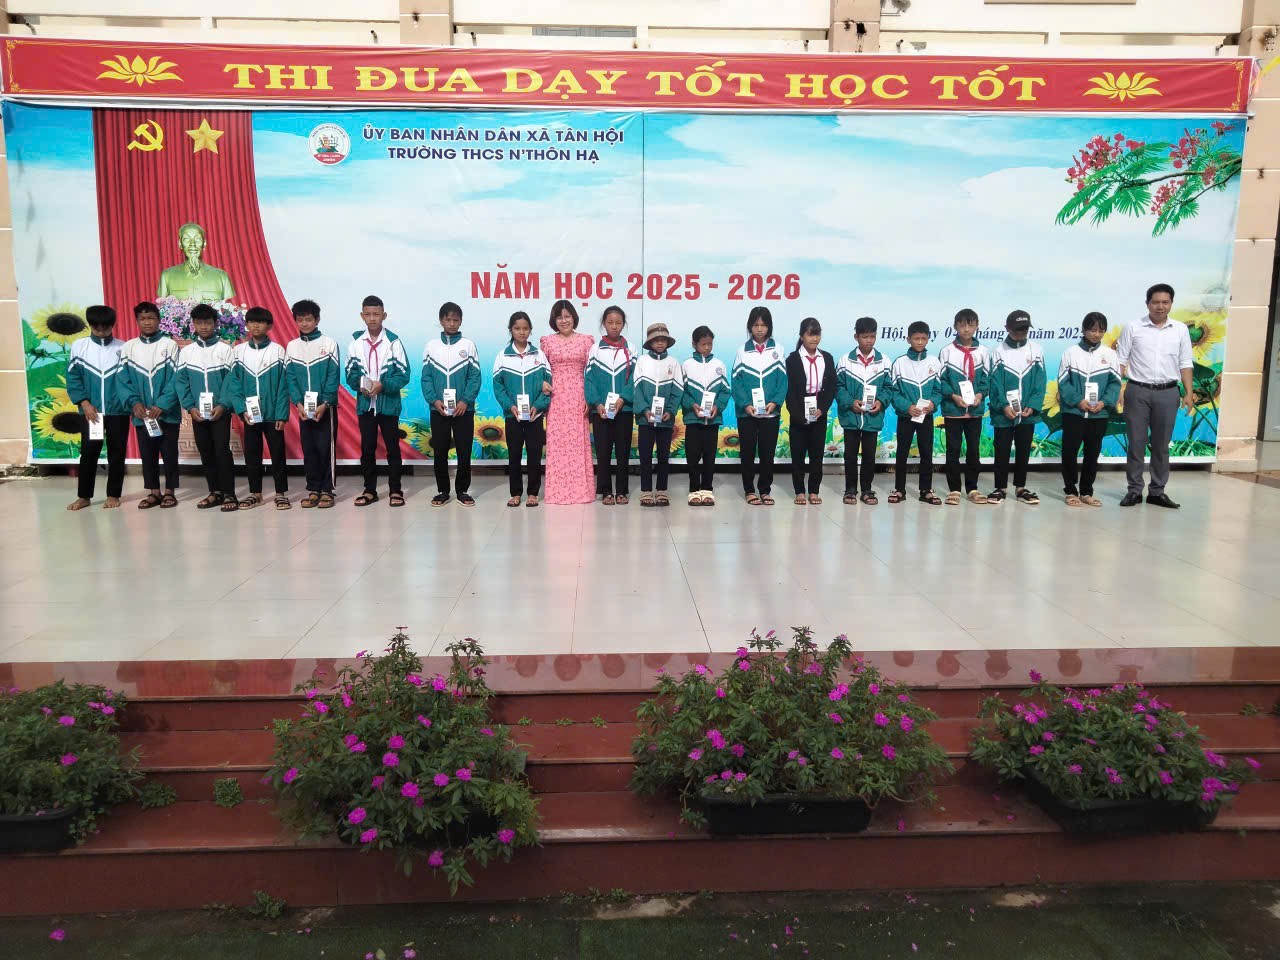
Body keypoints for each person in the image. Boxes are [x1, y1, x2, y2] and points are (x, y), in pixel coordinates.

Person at [1116, 283, 1195, 508]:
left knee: (1161, 445)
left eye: (1165, 302)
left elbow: (1185, 363)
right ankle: (1134, 491)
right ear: (1147, 303)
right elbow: (1120, 360)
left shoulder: (1180, 329)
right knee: (1136, 443)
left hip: (1168, 393)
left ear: (1171, 304)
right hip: (1137, 391)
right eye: (1156, 302)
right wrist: (1120, 389)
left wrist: (1188, 393)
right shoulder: (1133, 327)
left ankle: (1157, 491)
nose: (1160, 306)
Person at [222, 306, 291, 510]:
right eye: (252, 322)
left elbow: (283, 385)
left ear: (269, 326)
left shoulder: (278, 351)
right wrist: (242, 409)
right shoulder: (238, 352)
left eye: (260, 322)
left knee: (278, 454)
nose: (255, 326)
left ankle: (280, 493)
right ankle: (256, 493)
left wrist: (281, 414)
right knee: (252, 454)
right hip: (250, 415)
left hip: (273, 415)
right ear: (247, 325)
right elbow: (234, 384)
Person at [346, 295, 410, 508]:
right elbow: (350, 373)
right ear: (362, 316)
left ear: (384, 315)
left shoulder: (393, 342)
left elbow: (404, 374)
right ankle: (369, 490)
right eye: (368, 314)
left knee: (392, 448)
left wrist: (383, 385)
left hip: (388, 405)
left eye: (376, 314)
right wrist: (360, 385)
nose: (372, 318)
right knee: (367, 449)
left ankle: (395, 490)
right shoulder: (355, 343)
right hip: (366, 405)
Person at [118, 301, 181, 510]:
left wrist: (162, 404)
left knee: (169, 453)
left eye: (151, 318)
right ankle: (154, 492)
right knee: (148, 454)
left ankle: (170, 491)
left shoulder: (169, 345)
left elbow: (176, 378)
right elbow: (122, 379)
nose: (147, 322)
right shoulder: (129, 347)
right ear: (137, 321)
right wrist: (134, 402)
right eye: (142, 319)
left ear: (159, 320)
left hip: (167, 413)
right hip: (142, 414)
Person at [66, 305, 128, 511]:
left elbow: (128, 380)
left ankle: (113, 495)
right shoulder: (79, 347)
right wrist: (84, 403)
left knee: (117, 453)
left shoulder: (123, 348)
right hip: (91, 412)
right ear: (90, 324)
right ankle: (84, 496)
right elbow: (73, 378)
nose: (101, 330)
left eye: (106, 326)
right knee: (89, 453)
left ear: (112, 325)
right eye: (96, 326)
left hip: (118, 411)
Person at [177, 303, 238, 511]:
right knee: (205, 450)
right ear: (193, 324)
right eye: (199, 323)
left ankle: (229, 494)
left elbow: (231, 382)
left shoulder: (225, 350)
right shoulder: (187, 352)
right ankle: (215, 492)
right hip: (197, 412)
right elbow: (181, 382)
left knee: (222, 450)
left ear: (215, 324)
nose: (203, 327)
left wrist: (223, 405)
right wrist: (190, 407)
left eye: (208, 323)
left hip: (220, 411)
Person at [1059, 311, 1122, 508]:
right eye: (1093, 330)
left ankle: (1086, 491)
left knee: (1092, 453)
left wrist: (1104, 402)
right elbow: (1063, 383)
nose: (1096, 334)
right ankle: (1071, 491)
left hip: (1099, 414)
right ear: (1084, 329)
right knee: (1069, 451)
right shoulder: (1070, 353)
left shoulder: (1110, 355)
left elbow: (1115, 383)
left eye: (1101, 331)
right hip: (1074, 413)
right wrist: (1078, 401)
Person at [422, 301, 481, 506]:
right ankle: (443, 491)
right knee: (440, 451)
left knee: (464, 451)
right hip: (438, 409)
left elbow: (475, 377)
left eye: (456, 320)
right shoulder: (431, 346)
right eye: (448, 319)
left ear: (461, 321)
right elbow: (426, 378)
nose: (452, 323)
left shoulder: (468, 345)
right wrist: (434, 400)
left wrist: (465, 401)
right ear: (441, 321)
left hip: (464, 410)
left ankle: (463, 491)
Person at [285, 299, 340, 509]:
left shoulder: (329, 343)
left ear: (317, 320)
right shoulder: (292, 346)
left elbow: (333, 377)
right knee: (309, 449)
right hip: (303, 409)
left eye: (308, 319)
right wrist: (298, 403)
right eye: (300, 320)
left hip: (325, 407)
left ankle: (327, 490)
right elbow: (291, 377)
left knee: (326, 448)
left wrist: (325, 403)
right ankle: (313, 489)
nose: (305, 323)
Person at [492, 310, 551, 507]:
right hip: (513, 417)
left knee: (534, 455)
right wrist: (510, 407)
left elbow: (548, 385)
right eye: (517, 328)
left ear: (530, 330)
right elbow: (498, 387)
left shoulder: (539, 355)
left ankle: (533, 493)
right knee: (514, 455)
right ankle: (515, 493)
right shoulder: (502, 356)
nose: (522, 332)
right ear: (511, 330)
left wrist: (538, 406)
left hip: (535, 416)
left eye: (525, 328)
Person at [540, 300, 596, 505]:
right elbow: (541, 369)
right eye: (559, 317)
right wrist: (543, 383)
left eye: (567, 316)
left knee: (578, 443)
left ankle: (581, 491)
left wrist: (590, 398)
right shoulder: (547, 341)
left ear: (574, 317)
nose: (564, 321)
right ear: (554, 320)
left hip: (579, 396)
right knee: (557, 444)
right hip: (556, 398)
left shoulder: (587, 341)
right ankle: (557, 492)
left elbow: (591, 372)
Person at [987, 310, 1046, 505]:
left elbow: (1040, 382)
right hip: (1003, 413)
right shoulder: (998, 351)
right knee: (1001, 450)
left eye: (1024, 329)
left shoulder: (1037, 350)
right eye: (1016, 329)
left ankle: (1021, 488)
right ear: (1007, 328)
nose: (1020, 333)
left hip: (1027, 412)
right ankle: (1000, 488)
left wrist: (1033, 405)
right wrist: (1003, 405)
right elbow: (994, 383)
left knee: (1023, 450)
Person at [732, 306, 787, 506]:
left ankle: (765, 490)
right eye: (756, 325)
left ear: (769, 326)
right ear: (750, 327)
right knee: (747, 453)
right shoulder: (742, 351)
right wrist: (746, 405)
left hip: (770, 413)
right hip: (747, 414)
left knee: (767, 453)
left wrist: (775, 402)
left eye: (763, 325)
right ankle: (749, 490)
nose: (760, 329)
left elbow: (783, 381)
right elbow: (736, 381)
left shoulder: (778, 349)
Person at [835, 316, 890, 506]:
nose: (869, 341)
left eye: (872, 336)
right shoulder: (845, 360)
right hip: (851, 417)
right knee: (850, 455)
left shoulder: (883, 361)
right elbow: (838, 387)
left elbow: (889, 388)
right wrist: (851, 402)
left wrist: (881, 402)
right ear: (856, 337)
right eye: (865, 337)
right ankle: (850, 489)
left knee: (869, 455)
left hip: (872, 418)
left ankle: (867, 489)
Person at [938, 308, 991, 505]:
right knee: (953, 450)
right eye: (962, 325)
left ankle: (973, 488)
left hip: (975, 411)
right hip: (953, 410)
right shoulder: (947, 351)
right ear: (955, 327)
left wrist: (979, 395)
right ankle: (954, 489)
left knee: (973, 450)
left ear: (977, 326)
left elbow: (987, 379)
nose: (966, 329)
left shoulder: (983, 352)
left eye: (970, 325)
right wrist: (953, 396)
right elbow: (941, 380)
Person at [585, 305, 635, 505]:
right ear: (603, 324)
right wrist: (597, 404)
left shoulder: (631, 349)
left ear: (624, 324)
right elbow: (589, 380)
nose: (614, 326)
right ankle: (605, 491)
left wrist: (623, 399)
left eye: (618, 322)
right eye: (610, 322)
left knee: (623, 452)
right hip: (602, 411)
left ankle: (622, 490)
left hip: (624, 409)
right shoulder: (595, 349)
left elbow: (635, 379)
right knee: (603, 452)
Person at [889, 321, 943, 505]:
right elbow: (893, 392)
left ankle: (926, 490)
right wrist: (907, 406)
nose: (920, 342)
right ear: (908, 339)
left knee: (926, 453)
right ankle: (899, 489)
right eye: (916, 338)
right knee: (902, 452)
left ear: (928, 339)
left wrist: (933, 403)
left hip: (926, 416)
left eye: (923, 338)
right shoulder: (899, 363)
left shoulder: (934, 362)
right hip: (906, 416)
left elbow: (939, 390)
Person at [785, 317, 837, 505]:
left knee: (816, 455)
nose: (814, 339)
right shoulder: (792, 359)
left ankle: (814, 490)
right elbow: (789, 390)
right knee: (798, 454)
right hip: (798, 410)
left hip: (819, 410)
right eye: (810, 334)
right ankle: (799, 491)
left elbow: (831, 387)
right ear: (802, 336)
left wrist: (822, 408)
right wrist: (797, 414)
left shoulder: (827, 358)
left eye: (817, 334)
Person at [632, 323, 685, 507]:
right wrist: (645, 410)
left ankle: (662, 490)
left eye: (663, 340)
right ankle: (646, 491)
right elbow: (636, 389)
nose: (660, 343)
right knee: (645, 455)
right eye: (656, 340)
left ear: (668, 342)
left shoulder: (674, 363)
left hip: (665, 420)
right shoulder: (642, 362)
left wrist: (670, 411)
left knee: (663, 455)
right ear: (650, 343)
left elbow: (678, 390)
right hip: (645, 419)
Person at [681, 325, 730, 506]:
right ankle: (694, 489)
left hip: (713, 420)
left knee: (710, 456)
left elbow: (725, 391)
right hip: (693, 419)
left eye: (710, 344)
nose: (707, 347)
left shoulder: (719, 365)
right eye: (703, 344)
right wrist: (691, 405)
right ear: (694, 344)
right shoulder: (686, 365)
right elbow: (682, 392)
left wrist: (718, 406)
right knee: (693, 455)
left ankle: (707, 489)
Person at [156, 222, 235, 302]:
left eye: (197, 239)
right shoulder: (167, 276)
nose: (192, 244)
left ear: (204, 244)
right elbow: (162, 306)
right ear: (180, 244)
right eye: (187, 239)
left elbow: (228, 306)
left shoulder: (222, 277)